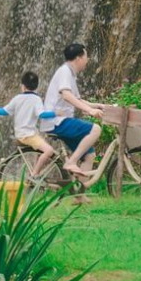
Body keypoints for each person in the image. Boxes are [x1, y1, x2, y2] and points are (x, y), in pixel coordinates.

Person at [0, 72, 60, 181]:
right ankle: (34, 176)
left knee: (41, 147)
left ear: (23, 86)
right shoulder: (36, 99)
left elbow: (4, 111)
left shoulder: (17, 98)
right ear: (36, 86)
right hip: (29, 136)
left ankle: (36, 171)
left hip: (23, 134)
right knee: (49, 151)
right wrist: (56, 113)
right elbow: (42, 115)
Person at [46, 43, 108, 180]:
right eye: (86, 56)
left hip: (62, 121)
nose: (88, 60)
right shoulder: (65, 72)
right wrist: (90, 111)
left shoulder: (70, 74)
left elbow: (77, 99)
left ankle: (79, 194)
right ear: (78, 58)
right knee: (96, 129)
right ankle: (71, 162)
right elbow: (66, 95)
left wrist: (97, 106)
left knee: (89, 156)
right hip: (57, 121)